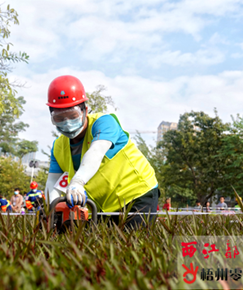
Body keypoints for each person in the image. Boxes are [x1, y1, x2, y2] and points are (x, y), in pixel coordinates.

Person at [44, 75, 159, 229]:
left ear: (85, 109)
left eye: (73, 116)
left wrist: (77, 182)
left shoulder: (104, 123)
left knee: (134, 245)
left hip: (136, 194)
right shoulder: (58, 146)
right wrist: (53, 209)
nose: (67, 122)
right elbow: (53, 183)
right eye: (59, 118)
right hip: (103, 205)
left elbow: (96, 151)